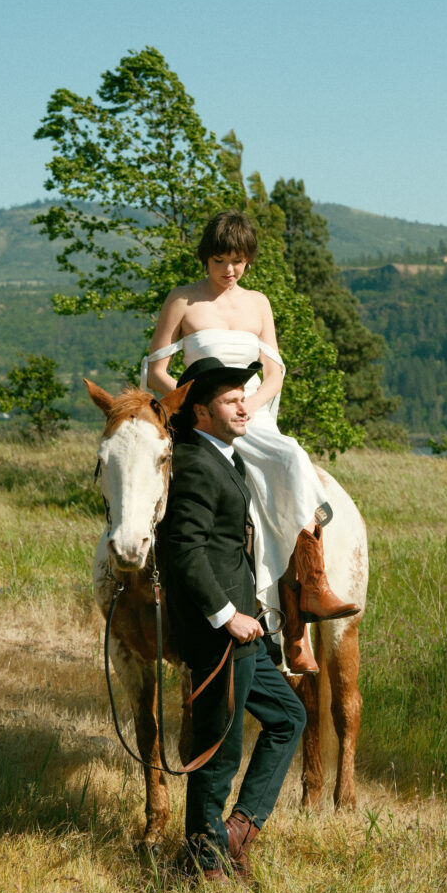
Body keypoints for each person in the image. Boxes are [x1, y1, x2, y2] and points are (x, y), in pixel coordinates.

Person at [144, 210, 360, 674]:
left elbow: (275, 370)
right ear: (206, 257)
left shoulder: (259, 303)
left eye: (238, 261)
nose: (229, 270)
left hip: (252, 414)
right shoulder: (182, 301)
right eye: (221, 259)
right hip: (200, 415)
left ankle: (308, 593)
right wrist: (192, 404)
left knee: (290, 457)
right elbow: (155, 371)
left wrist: (249, 407)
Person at [163, 356, 306, 881]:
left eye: (244, 395)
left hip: (245, 633)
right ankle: (201, 861)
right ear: (201, 411)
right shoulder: (197, 462)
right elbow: (185, 551)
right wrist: (226, 616)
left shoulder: (225, 456)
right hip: (221, 634)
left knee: (289, 718)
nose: (244, 405)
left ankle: (234, 834)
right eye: (230, 399)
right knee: (218, 749)